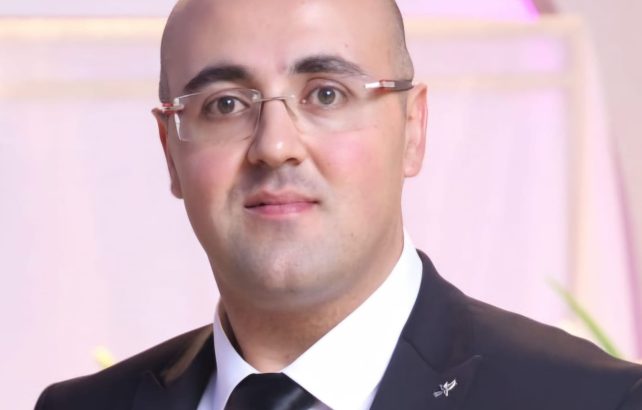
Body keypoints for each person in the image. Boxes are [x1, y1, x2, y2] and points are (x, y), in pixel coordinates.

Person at [35, 0, 642, 409]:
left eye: (326, 94)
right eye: (225, 104)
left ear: (413, 130)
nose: (275, 147)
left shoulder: (591, 400)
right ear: (170, 151)